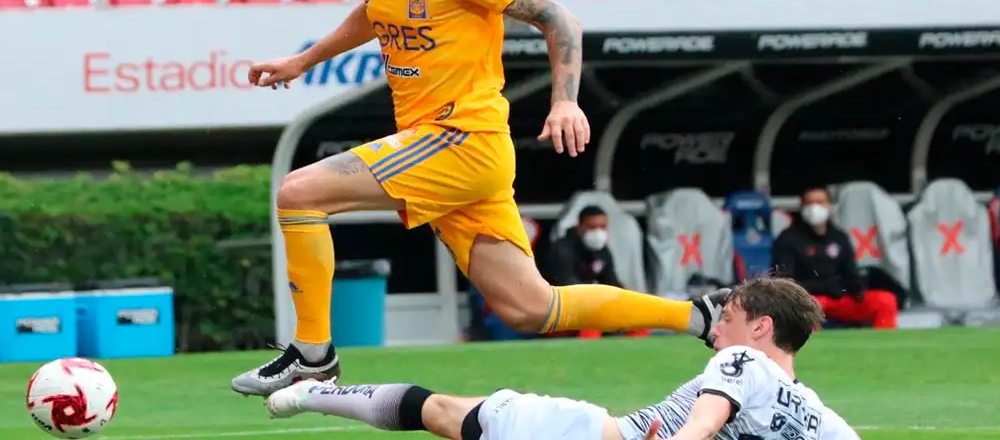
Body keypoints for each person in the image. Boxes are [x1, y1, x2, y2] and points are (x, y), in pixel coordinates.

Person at [231, 0, 729, 396]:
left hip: (458, 138)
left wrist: (565, 101)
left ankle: (312, 354)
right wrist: (303, 61)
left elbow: (559, 18)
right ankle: (698, 316)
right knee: (531, 307)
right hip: (452, 155)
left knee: (299, 193)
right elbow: (374, 12)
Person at [264, 277, 861, 440]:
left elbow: (701, 426)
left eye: (725, 321)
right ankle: (316, 394)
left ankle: (313, 390)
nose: (715, 334)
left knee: (445, 412)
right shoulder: (819, 415)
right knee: (450, 415)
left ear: (759, 327)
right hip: (592, 432)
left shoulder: (742, 364)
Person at [771, 186, 899, 330]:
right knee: (807, 307)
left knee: (885, 301)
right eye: (810, 203)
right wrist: (824, 287)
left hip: (839, 298)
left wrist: (856, 287)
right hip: (809, 299)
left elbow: (850, 272)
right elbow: (784, 282)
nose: (815, 208)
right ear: (802, 207)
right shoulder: (788, 239)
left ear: (829, 206)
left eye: (820, 202)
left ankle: (883, 344)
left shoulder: (839, 237)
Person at [538, 206, 623, 288]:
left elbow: (612, 282)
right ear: (579, 227)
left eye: (602, 227)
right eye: (592, 227)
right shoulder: (562, 250)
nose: (598, 232)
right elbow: (568, 284)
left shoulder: (602, 250)